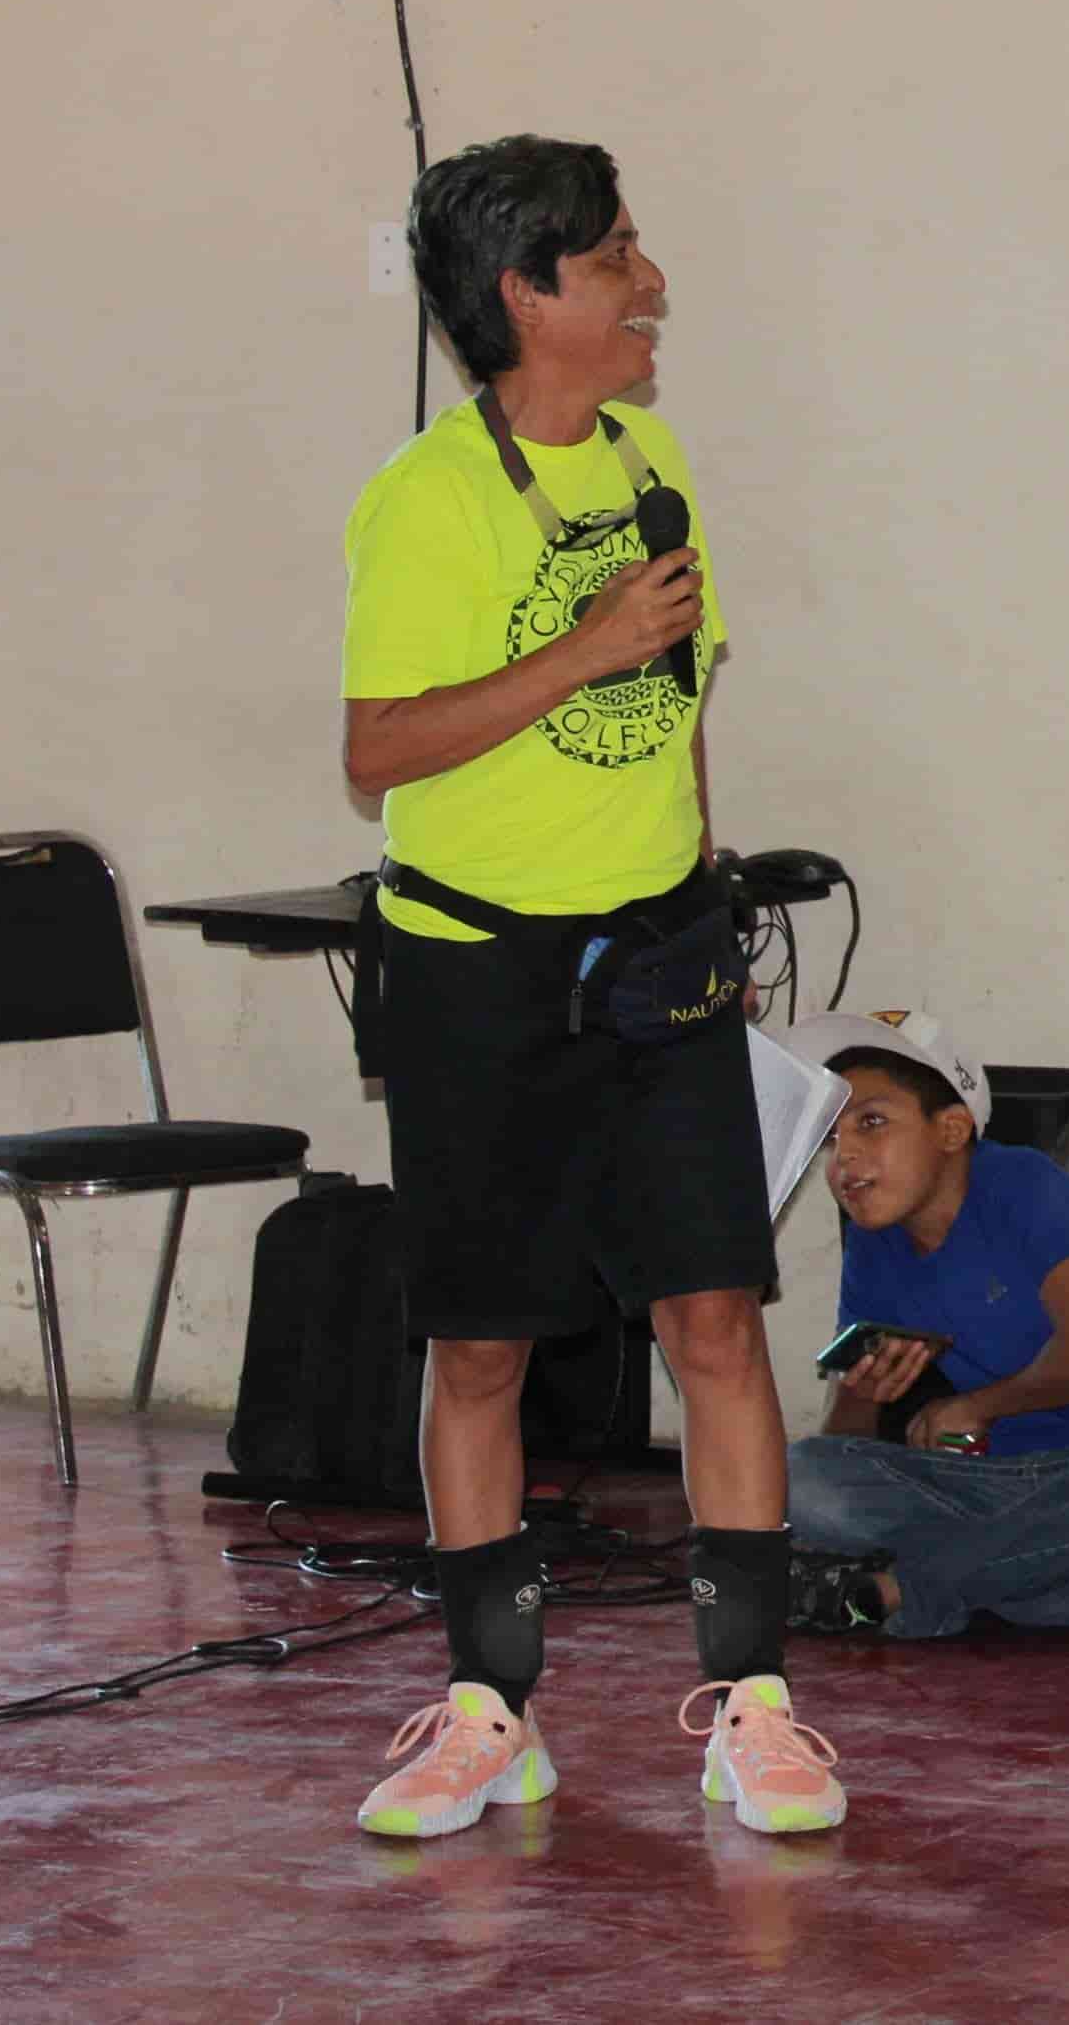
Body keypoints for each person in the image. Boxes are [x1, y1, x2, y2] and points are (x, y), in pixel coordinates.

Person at [340, 134, 846, 1839]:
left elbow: (684, 696)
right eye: (617, 257)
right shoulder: (424, 500)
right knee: (482, 1346)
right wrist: (584, 649)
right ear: (524, 294)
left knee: (717, 1320)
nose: (652, 285)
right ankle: (490, 1711)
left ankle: (757, 1707)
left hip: (659, 968)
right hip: (480, 975)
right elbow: (378, 748)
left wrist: (704, 891)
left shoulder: (652, 455)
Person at [773, 1010, 1069, 1644]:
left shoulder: (1021, 1184)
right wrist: (864, 1393)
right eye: (832, 1138)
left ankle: (899, 1592)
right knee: (803, 1476)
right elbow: (843, 1444)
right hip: (1010, 1491)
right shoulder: (874, 1243)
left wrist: (977, 1406)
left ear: (951, 1129)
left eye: (872, 1122)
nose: (844, 1157)